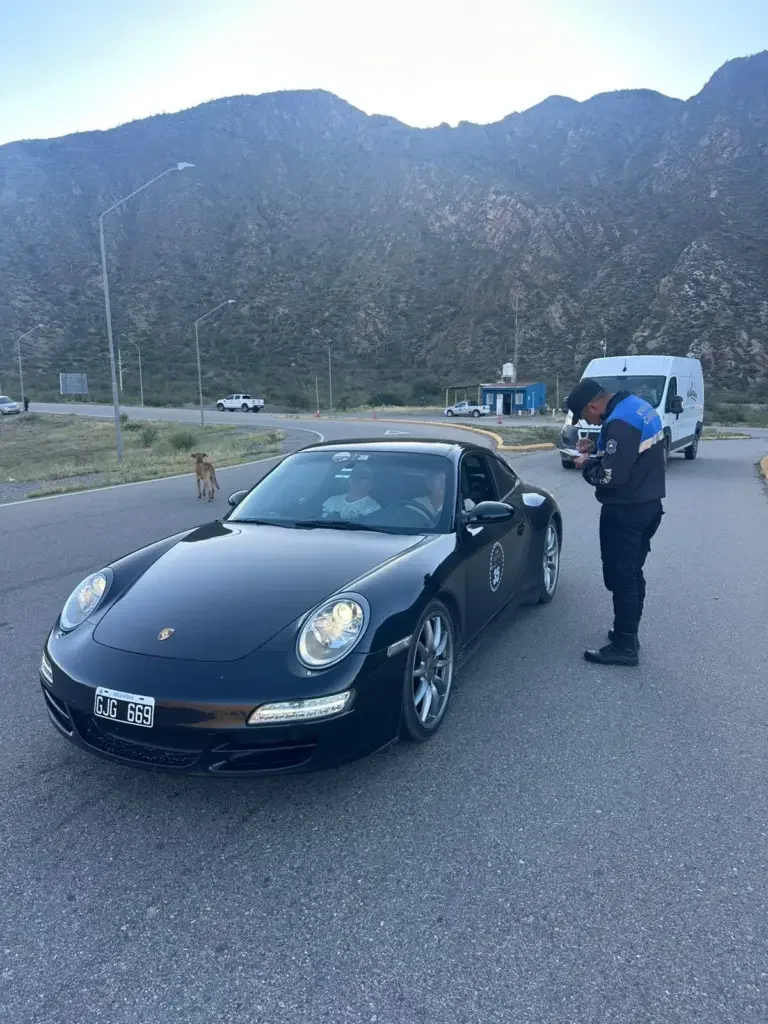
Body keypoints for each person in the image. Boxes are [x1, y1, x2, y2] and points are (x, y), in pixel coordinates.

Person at [566, 378, 665, 667]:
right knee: (632, 572)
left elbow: (611, 477)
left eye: (585, 416)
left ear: (592, 406)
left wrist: (586, 465)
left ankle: (624, 645)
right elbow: (630, 452)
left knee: (621, 577)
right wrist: (598, 447)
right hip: (647, 504)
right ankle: (628, 632)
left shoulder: (619, 423)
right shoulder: (637, 407)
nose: (589, 422)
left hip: (626, 511)